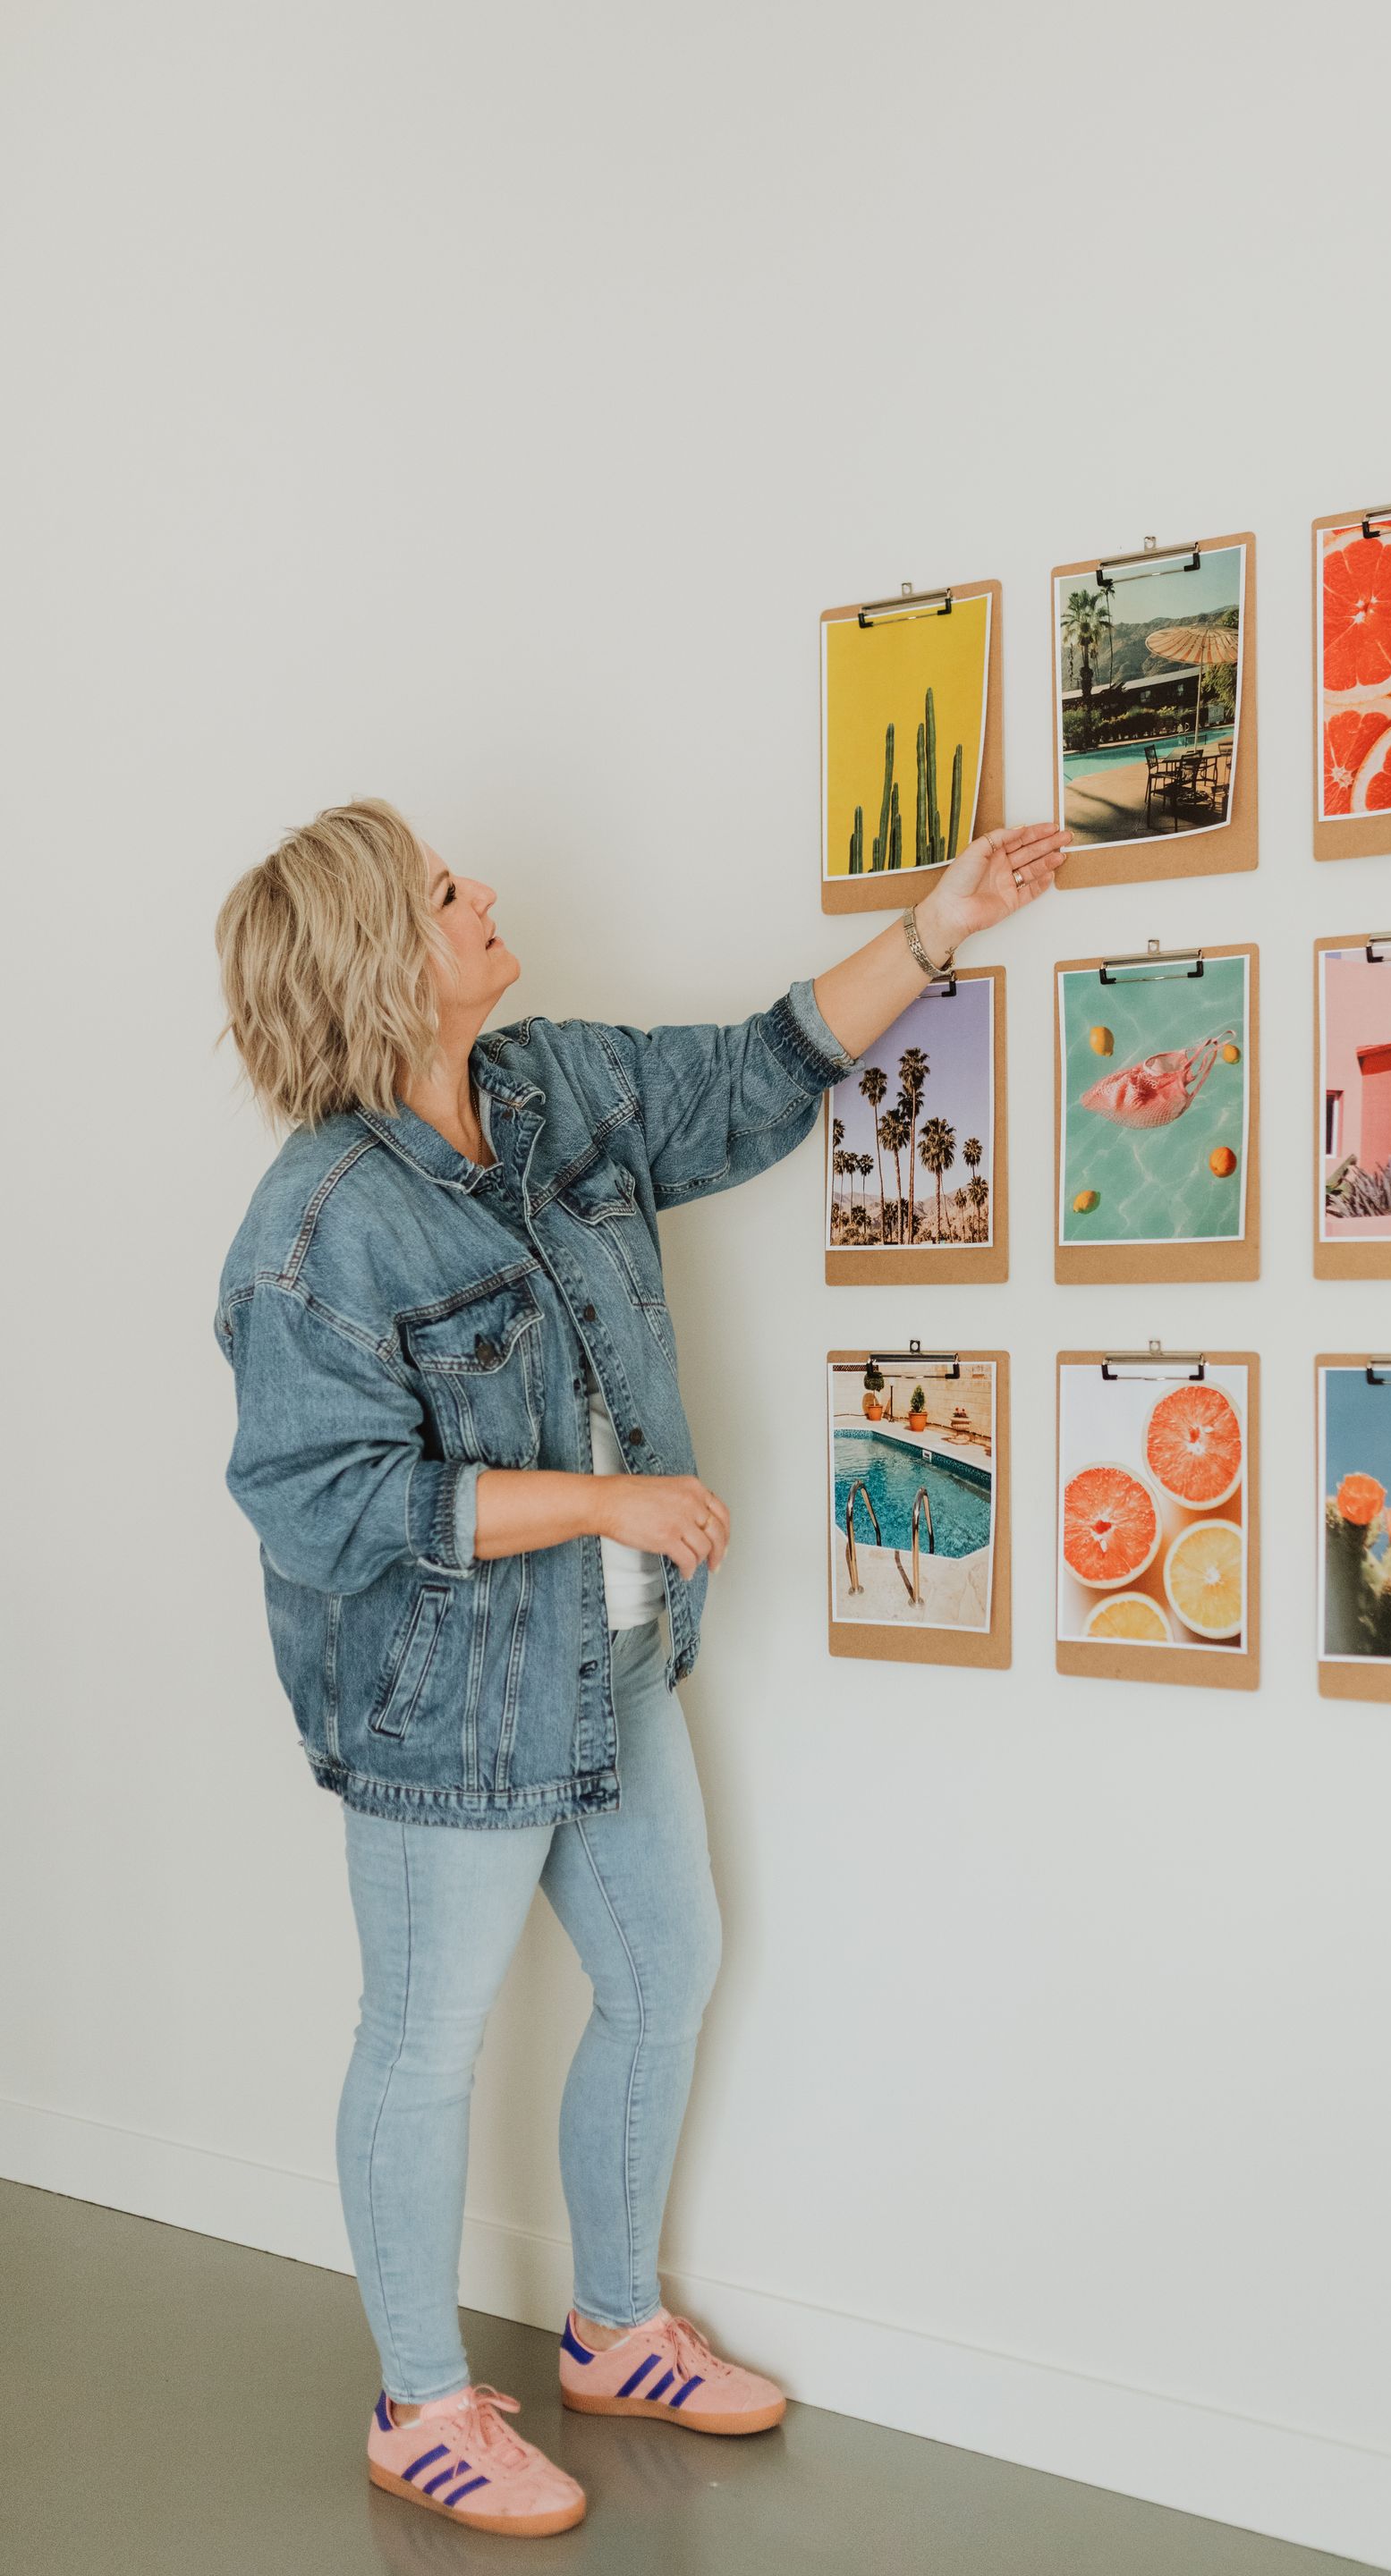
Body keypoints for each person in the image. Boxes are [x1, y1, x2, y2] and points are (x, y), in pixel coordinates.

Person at [212, 796, 1068, 2538]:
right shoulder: (314, 1228)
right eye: (452, 890)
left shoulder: (549, 1090)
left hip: (613, 1670)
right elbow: (324, 1504)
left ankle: (612, 2330)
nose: (489, 893)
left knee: (667, 1968)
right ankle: (420, 2403)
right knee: (424, 2046)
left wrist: (937, 924)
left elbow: (750, 1075)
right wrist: (606, 1495)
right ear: (386, 955)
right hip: (445, 1712)